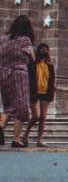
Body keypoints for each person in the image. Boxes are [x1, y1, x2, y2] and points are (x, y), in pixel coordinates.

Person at [0, 15, 35, 148]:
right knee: (21, 107)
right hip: (18, 74)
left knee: (8, 105)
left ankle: (1, 127)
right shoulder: (25, 40)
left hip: (3, 74)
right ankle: (16, 139)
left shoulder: (2, 39)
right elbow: (32, 58)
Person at [25, 43, 55, 147]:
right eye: (42, 50)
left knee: (43, 117)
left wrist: (51, 94)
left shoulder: (50, 66)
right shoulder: (33, 64)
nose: (44, 52)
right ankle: (26, 135)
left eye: (46, 50)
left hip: (45, 94)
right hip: (35, 93)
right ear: (38, 52)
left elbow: (51, 81)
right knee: (36, 115)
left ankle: (39, 140)